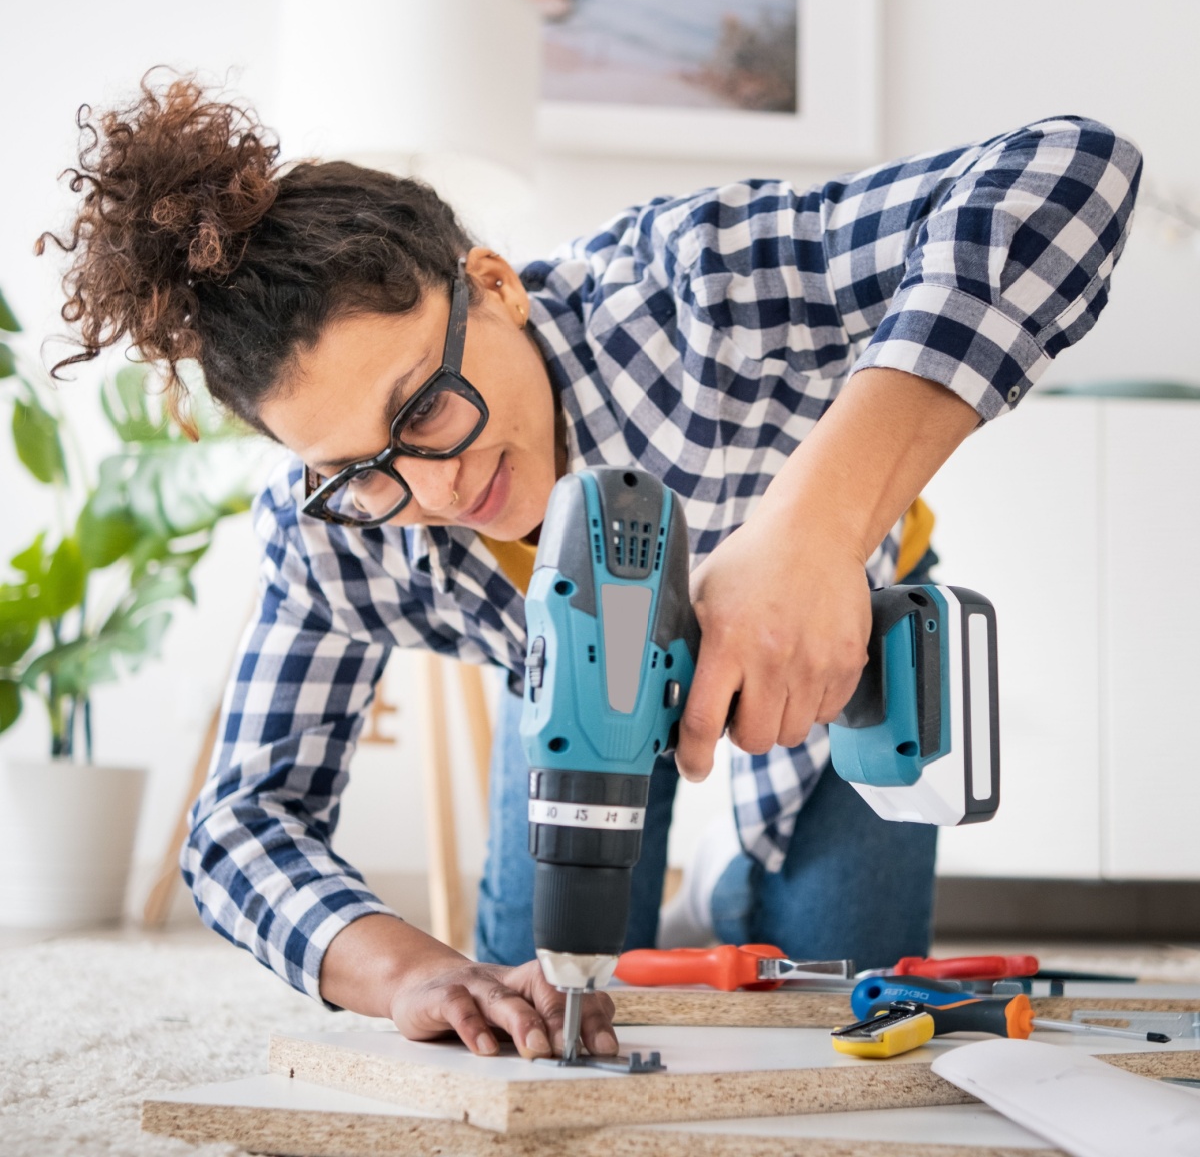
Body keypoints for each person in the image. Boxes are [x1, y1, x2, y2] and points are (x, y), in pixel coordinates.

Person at [43, 76, 1141, 1062]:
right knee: (549, 1000)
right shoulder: (335, 529)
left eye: (424, 406)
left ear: (492, 286)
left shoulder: (690, 288)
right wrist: (412, 973)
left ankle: (730, 876)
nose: (431, 491)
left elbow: (1071, 171)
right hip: (586, 698)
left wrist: (813, 529)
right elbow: (243, 822)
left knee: (842, 1013)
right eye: (361, 468)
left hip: (841, 643)